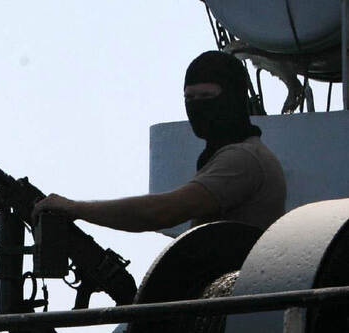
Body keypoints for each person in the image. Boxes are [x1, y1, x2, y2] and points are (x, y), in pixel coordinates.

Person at [33, 51, 286, 232]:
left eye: (207, 96)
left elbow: (160, 212)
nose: (198, 107)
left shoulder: (242, 159)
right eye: (190, 98)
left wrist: (75, 209)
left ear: (233, 98)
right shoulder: (230, 156)